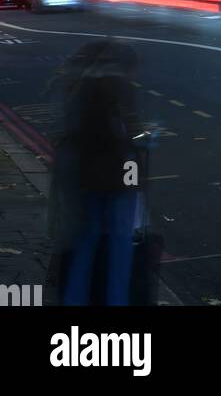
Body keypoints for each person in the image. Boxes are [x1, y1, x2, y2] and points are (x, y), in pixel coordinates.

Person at [52, 39, 141, 306]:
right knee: (120, 244)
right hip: (116, 177)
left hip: (82, 177)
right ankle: (117, 300)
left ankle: (74, 298)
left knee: (86, 240)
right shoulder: (118, 87)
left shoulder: (77, 86)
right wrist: (135, 181)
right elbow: (128, 138)